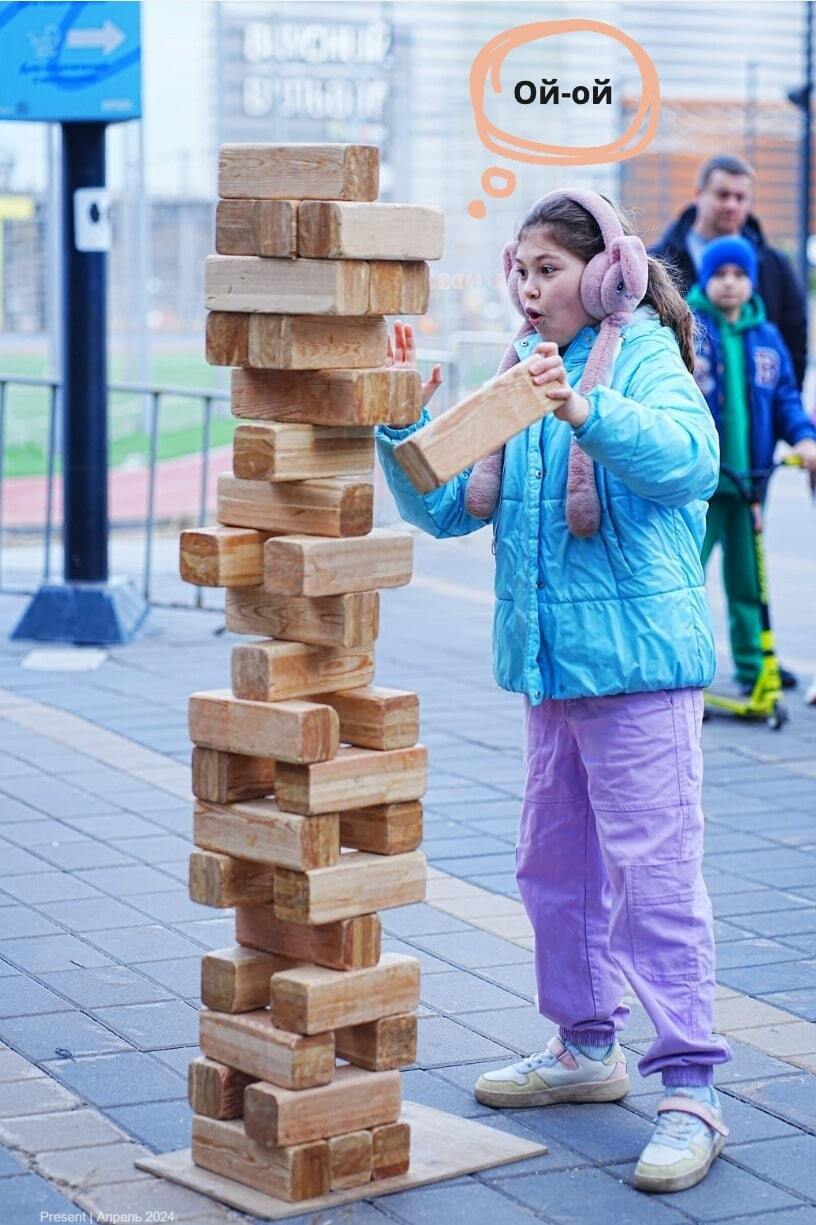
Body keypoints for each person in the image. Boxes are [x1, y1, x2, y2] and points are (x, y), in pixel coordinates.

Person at [376, 189, 731, 1196]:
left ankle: (693, 1086)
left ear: (606, 272)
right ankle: (584, 1046)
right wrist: (401, 417)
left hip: (637, 673)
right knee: (553, 869)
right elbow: (447, 506)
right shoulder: (511, 373)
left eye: (547, 269)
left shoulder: (645, 352)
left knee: (653, 883)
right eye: (519, 270)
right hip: (549, 673)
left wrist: (586, 408)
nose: (529, 289)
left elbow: (691, 462)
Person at [689, 235, 816, 691]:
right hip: (700, 487)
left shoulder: (767, 337)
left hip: (749, 487)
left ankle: (753, 669)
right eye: (720, 274)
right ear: (707, 278)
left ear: (752, 281)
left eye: (739, 275)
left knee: (750, 585)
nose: (729, 284)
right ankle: (682, 674)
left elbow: (785, 397)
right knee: (685, 582)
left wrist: (804, 438)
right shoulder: (688, 327)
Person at [651, 154, 808, 386]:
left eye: (740, 197)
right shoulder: (659, 263)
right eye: (722, 195)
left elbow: (794, 341)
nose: (731, 205)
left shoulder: (775, 267)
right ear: (698, 195)